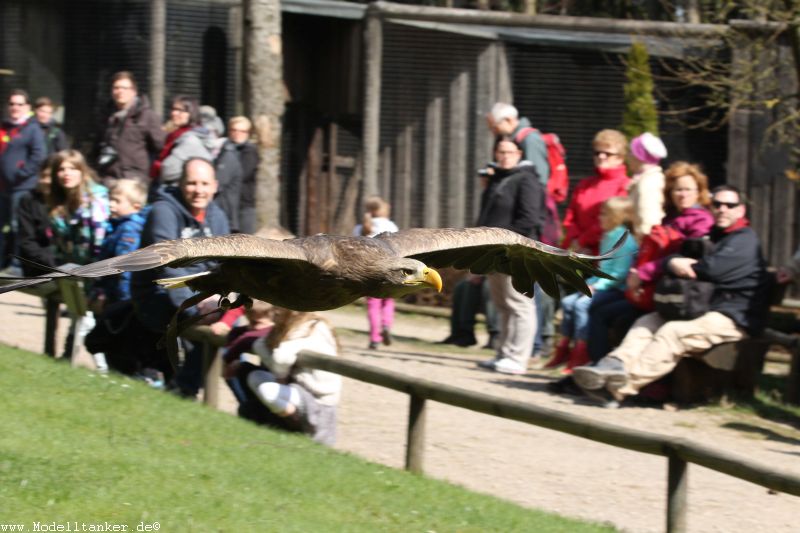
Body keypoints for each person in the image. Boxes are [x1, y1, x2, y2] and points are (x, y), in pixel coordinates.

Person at [573, 185, 769, 406]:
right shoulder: (714, 235)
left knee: (673, 332)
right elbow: (676, 259)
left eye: (729, 205)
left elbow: (710, 269)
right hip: (702, 309)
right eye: (717, 204)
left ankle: (619, 387)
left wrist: (676, 263)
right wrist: (672, 262)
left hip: (733, 317)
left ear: (741, 210)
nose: (722, 209)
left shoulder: (744, 240)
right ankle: (612, 365)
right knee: (648, 321)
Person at [587, 161, 715, 363]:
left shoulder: (701, 222)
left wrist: (643, 274)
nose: (682, 194)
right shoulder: (670, 219)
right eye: (677, 189)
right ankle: (596, 367)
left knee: (611, 315)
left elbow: (686, 260)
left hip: (675, 294)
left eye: (688, 189)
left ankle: (604, 369)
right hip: (651, 289)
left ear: (699, 192)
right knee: (599, 308)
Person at [132, 157, 230, 397]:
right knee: (212, 327)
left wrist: (219, 298)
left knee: (229, 323)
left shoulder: (218, 217)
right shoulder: (163, 211)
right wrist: (195, 307)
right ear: (181, 183)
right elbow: (167, 265)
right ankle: (185, 389)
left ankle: (186, 386)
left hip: (201, 296)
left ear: (215, 186)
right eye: (192, 183)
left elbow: (223, 264)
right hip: (158, 295)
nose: (199, 190)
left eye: (205, 184)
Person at [476, 136, 545, 375]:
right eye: (500, 151)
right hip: (494, 252)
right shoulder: (498, 179)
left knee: (520, 304)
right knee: (502, 305)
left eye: (509, 152)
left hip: (517, 252)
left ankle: (518, 358)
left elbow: (529, 220)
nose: (504, 156)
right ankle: (503, 353)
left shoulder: (527, 180)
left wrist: (501, 238)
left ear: (519, 153)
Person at [223, 308, 342, 446]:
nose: (275, 314)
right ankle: (286, 421)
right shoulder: (289, 326)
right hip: (297, 388)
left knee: (268, 391)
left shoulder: (311, 328)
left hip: (317, 400)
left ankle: (297, 424)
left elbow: (281, 357)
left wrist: (281, 377)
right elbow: (260, 343)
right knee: (254, 376)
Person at [546, 197, 638, 373]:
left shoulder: (623, 241)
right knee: (567, 302)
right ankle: (564, 348)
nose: (600, 217)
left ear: (616, 216)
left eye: (604, 214)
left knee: (581, 304)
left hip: (616, 290)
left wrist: (596, 287)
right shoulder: (608, 236)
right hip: (602, 286)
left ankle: (582, 351)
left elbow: (618, 274)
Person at [48, 150, 110, 366]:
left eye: (72, 168)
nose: (67, 173)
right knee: (80, 317)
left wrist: (96, 278)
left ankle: (102, 367)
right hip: (74, 270)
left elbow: (99, 242)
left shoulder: (95, 200)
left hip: (98, 270)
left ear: (82, 172)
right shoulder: (60, 201)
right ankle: (72, 359)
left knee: (86, 318)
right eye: (62, 169)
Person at [562, 129, 630, 255]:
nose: (601, 156)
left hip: (604, 255)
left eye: (607, 153)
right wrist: (575, 241)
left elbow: (613, 222)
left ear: (620, 158)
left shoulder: (626, 186)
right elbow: (570, 217)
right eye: (597, 152)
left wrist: (583, 241)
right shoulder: (584, 184)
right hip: (574, 250)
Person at [0, 89, 46, 270]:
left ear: (27, 107)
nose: (15, 107)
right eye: (11, 104)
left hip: (22, 188)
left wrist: (19, 173)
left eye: (19, 104)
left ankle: (17, 264)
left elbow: (38, 156)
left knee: (17, 226)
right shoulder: (5, 127)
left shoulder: (32, 128)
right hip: (3, 188)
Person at [96, 71, 164, 182]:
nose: (119, 92)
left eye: (124, 88)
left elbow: (161, 147)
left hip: (134, 180)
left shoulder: (147, 116)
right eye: (116, 88)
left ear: (134, 92)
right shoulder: (106, 117)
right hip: (108, 178)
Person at [352, 196, 399, 350]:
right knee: (388, 301)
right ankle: (386, 325)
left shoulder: (359, 228)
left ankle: (374, 339)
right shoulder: (391, 226)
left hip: (369, 270)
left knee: (373, 305)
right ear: (382, 210)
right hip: (389, 268)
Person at [151, 96, 214, 187]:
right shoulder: (175, 135)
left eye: (180, 110)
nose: (174, 113)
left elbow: (167, 169)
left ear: (191, 113)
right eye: (173, 109)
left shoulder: (190, 140)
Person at [486, 103, 549, 187]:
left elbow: (539, 178)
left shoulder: (529, 140)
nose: (493, 131)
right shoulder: (508, 139)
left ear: (508, 120)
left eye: (495, 127)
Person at [17, 156, 57, 276]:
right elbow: (26, 241)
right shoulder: (29, 200)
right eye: (43, 176)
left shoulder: (67, 202)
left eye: (50, 177)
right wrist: (54, 265)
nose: (45, 181)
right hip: (40, 267)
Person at [438, 275, 499, 348]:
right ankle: (463, 334)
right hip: (487, 274)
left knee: (488, 287)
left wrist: (481, 274)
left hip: (500, 276)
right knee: (462, 286)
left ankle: (495, 335)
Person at [627, 132, 667, 240]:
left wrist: (640, 251)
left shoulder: (647, 184)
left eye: (631, 152)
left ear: (639, 156)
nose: (628, 156)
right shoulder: (645, 180)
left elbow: (647, 223)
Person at [225, 116, 260, 234]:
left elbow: (241, 174)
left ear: (248, 133)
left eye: (242, 131)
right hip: (228, 205)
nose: (237, 134)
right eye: (233, 130)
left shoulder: (250, 151)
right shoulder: (225, 149)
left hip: (244, 205)